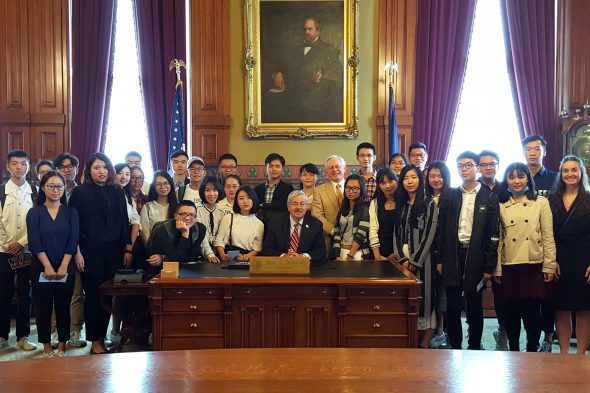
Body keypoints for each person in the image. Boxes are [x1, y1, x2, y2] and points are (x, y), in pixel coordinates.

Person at [68, 152, 131, 354]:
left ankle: (103, 338)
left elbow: (124, 222)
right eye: (96, 167)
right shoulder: (80, 193)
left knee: (108, 295)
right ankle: (95, 339)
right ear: (89, 170)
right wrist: (77, 252)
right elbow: (73, 225)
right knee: (94, 295)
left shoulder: (117, 192)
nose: (101, 171)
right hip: (89, 252)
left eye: (104, 167)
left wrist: (127, 247)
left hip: (114, 251)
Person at [436, 151, 499, 350]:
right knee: (453, 307)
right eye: (460, 165)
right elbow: (442, 229)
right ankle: (455, 345)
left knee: (474, 305)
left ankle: (474, 345)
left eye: (469, 165)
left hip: (476, 257)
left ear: (477, 168)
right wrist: (440, 259)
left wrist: (489, 265)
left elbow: (493, 234)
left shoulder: (489, 197)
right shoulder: (451, 194)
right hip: (453, 255)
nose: (465, 169)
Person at [494, 163, 556, 352]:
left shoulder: (540, 202)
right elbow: (498, 240)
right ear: (506, 180)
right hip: (509, 264)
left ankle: (532, 348)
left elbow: (548, 236)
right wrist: (497, 267)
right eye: (512, 177)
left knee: (532, 313)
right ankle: (513, 350)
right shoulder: (500, 203)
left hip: (533, 264)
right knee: (511, 312)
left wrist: (550, 265)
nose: (517, 181)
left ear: (527, 178)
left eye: (521, 176)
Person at [27, 171, 79, 357]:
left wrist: (65, 265)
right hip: (41, 267)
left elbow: (73, 241)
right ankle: (47, 345)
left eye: (59, 186)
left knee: (63, 307)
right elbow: (34, 241)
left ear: (64, 188)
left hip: (66, 266)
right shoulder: (34, 213)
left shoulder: (71, 212)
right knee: (43, 308)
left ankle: (63, 343)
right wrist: (47, 266)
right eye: (51, 186)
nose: (55, 190)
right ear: (43, 188)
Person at [548, 155, 590, 354]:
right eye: (566, 170)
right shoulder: (551, 199)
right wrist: (550, 261)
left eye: (574, 170)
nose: (570, 174)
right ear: (560, 173)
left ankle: (581, 354)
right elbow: (545, 233)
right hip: (559, 259)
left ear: (581, 173)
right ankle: (564, 354)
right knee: (561, 307)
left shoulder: (589, 199)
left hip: (585, 259)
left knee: (584, 308)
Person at [393, 165, 438, 348]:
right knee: (408, 301)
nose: (410, 181)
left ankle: (424, 344)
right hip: (403, 263)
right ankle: (410, 341)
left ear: (420, 179)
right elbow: (396, 234)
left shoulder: (429, 203)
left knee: (426, 300)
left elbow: (429, 234)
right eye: (405, 178)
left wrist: (414, 261)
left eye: (413, 177)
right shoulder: (401, 205)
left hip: (424, 262)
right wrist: (401, 259)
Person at [265, 17, 343, 123]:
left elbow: (339, 75)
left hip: (315, 104)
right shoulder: (298, 50)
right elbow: (289, 66)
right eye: (305, 29)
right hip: (294, 100)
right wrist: (280, 73)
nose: (306, 32)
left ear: (318, 31)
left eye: (310, 29)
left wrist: (322, 75)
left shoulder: (329, 50)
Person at [522, 134, 558, 352]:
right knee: (529, 297)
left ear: (545, 152)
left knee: (548, 294)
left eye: (537, 149)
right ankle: (531, 338)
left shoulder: (555, 178)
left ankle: (549, 335)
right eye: (529, 149)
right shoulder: (519, 176)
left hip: (550, 240)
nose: (533, 152)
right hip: (524, 246)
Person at [0, 150, 37, 351]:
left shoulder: (36, 191)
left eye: (23, 163)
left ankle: (23, 336)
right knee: (3, 293)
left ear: (28, 167)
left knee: (25, 294)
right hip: (3, 249)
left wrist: (22, 243)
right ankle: (2, 335)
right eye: (14, 164)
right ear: (8, 167)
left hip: (27, 250)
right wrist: (9, 244)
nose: (19, 167)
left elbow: (38, 221)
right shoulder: (1, 191)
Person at [53, 152, 85, 348]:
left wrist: (78, 250)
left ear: (76, 169)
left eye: (70, 166)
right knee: (56, 291)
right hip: (54, 249)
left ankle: (75, 331)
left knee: (77, 292)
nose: (67, 169)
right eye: (63, 167)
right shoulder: (51, 190)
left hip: (78, 248)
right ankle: (57, 331)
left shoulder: (81, 192)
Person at [477, 150, 508, 350]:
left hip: (503, 248)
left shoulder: (506, 189)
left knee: (502, 294)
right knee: (474, 295)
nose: (488, 167)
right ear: (478, 167)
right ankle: (474, 333)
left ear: (498, 165)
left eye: (492, 164)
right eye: (484, 164)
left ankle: (503, 330)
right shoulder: (472, 188)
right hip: (477, 250)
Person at [146, 201, 219, 273]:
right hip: (163, 271)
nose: (187, 218)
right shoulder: (162, 230)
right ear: (176, 216)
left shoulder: (200, 229)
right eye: (184, 214)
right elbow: (176, 261)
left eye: (191, 215)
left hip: (190, 270)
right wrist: (185, 234)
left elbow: (190, 256)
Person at [424, 161, 451, 349]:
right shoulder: (424, 198)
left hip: (445, 252)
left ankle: (443, 332)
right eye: (432, 176)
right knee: (430, 293)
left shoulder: (452, 196)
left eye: (439, 175)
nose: (436, 179)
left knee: (444, 294)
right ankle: (434, 331)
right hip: (427, 252)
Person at [261, 190, 326, 264]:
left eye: (302, 204)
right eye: (295, 204)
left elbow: (321, 251)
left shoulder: (316, 224)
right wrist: (284, 256)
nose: (298, 207)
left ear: (306, 206)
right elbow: (267, 249)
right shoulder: (275, 223)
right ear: (288, 207)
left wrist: (302, 257)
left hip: (307, 268)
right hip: (281, 266)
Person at [214, 186, 264, 262]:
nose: (245, 201)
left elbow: (257, 248)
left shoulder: (259, 224)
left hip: (246, 259)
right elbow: (219, 240)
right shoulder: (228, 217)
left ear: (254, 200)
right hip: (226, 257)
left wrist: (245, 257)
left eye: (249, 198)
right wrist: (223, 256)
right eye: (241, 198)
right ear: (236, 201)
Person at [332, 174, 371, 261]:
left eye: (355, 188)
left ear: (361, 190)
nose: (351, 191)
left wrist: (350, 256)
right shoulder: (343, 209)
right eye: (348, 188)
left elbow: (361, 234)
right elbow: (337, 232)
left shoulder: (365, 209)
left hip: (357, 254)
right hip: (341, 251)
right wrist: (336, 255)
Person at [312, 155, 346, 250]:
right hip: (329, 238)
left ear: (344, 169)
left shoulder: (353, 186)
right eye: (331, 168)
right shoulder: (319, 190)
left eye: (337, 166)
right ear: (326, 172)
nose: (334, 170)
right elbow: (316, 214)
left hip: (353, 238)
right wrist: (333, 231)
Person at [254, 153, 294, 227]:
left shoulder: (288, 189)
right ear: (266, 168)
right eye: (271, 166)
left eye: (277, 166)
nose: (274, 169)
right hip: (259, 225)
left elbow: (284, 206)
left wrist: (263, 205)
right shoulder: (257, 189)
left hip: (280, 226)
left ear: (282, 169)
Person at [140, 171, 178, 246]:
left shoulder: (178, 207)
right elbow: (145, 233)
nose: (162, 187)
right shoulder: (147, 207)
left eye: (166, 183)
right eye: (158, 184)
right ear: (154, 187)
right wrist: (151, 251)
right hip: (154, 251)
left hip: (174, 252)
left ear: (171, 185)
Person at [369, 167, 399, 262]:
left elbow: (407, 232)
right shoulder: (375, 203)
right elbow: (373, 230)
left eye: (391, 181)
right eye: (383, 183)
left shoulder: (404, 201)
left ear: (397, 181)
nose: (387, 186)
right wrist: (378, 257)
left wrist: (397, 254)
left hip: (401, 254)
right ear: (378, 185)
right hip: (379, 253)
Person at [196, 176, 227, 247]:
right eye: (207, 190)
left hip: (218, 250)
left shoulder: (222, 211)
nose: (211, 194)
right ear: (202, 192)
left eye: (215, 190)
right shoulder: (196, 209)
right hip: (200, 250)